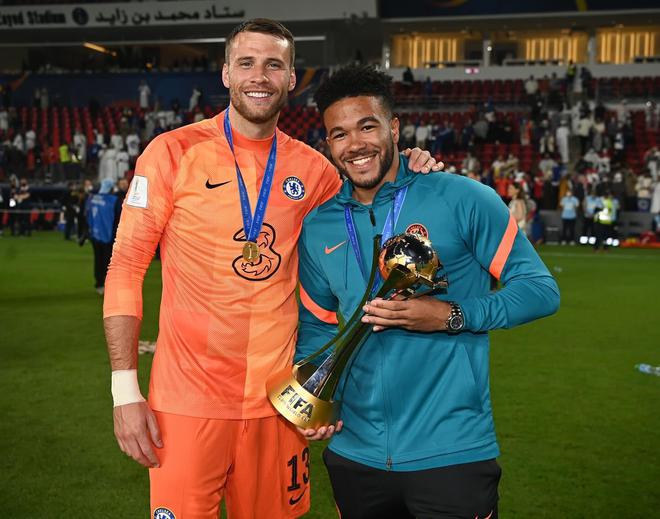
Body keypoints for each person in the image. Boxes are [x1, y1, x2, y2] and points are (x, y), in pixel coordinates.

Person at [102, 19, 441, 519]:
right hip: (186, 402)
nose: (259, 76)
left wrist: (408, 168)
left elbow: (372, 229)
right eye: (247, 63)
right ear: (226, 74)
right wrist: (124, 392)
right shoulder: (172, 153)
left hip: (280, 404)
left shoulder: (315, 172)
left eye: (273, 65)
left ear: (291, 78)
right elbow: (126, 267)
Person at [296, 64, 560, 519]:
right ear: (329, 143)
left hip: (451, 452)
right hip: (354, 454)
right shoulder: (319, 225)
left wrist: (450, 315)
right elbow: (315, 325)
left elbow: (540, 290)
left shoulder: (463, 198)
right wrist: (317, 399)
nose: (355, 144)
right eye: (339, 134)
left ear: (394, 128)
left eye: (367, 126)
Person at [86, 179, 121, 294]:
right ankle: (107, 284)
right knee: (108, 261)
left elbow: (87, 215)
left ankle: (99, 283)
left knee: (98, 259)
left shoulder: (92, 199)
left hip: (95, 234)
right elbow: (119, 218)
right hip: (108, 235)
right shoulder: (114, 200)